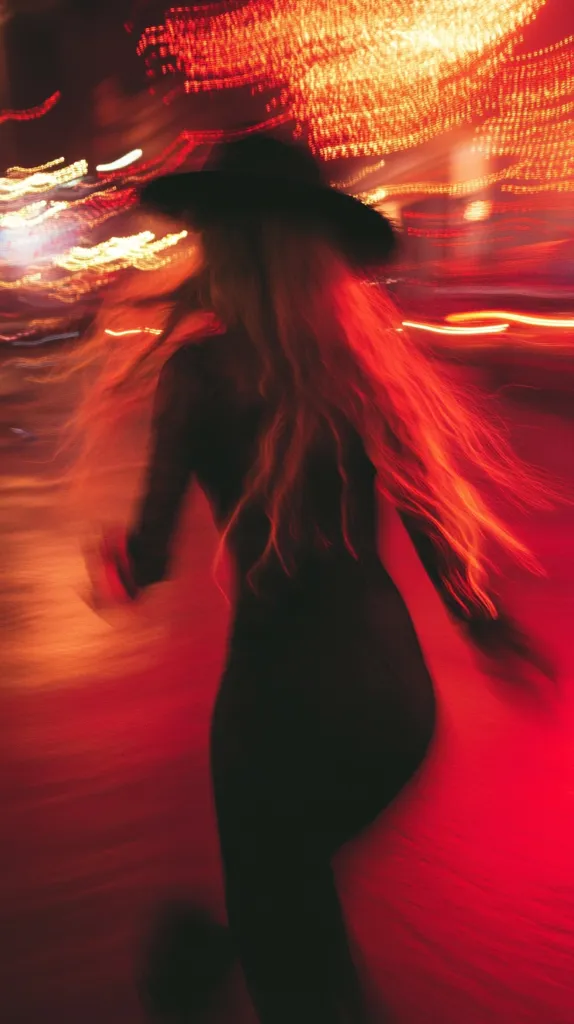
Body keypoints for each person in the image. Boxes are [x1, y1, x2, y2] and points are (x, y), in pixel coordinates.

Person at [81, 134, 553, 1024]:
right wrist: (489, 628)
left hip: (276, 703)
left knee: (284, 931)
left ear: (225, 243)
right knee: (290, 896)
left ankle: (220, 954)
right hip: (391, 703)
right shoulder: (360, 368)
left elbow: (150, 557)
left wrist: (113, 567)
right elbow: (433, 524)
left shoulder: (197, 376)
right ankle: (228, 946)